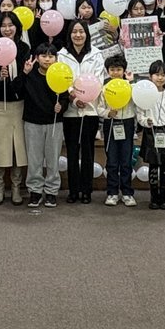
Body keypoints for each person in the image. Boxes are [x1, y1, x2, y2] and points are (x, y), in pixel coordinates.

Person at [58, 19, 105, 204]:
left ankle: (86, 191)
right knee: (72, 151)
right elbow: (62, 78)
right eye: (74, 31)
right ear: (69, 34)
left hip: (90, 111)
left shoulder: (96, 54)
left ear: (87, 34)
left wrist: (86, 97)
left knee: (87, 151)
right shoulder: (62, 55)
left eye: (81, 31)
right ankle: (73, 190)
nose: (78, 35)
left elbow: (98, 79)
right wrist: (74, 97)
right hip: (70, 111)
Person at [0, 13, 29, 205]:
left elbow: (26, 80)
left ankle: (17, 187)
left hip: (19, 104)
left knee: (18, 147)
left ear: (17, 27)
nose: (7, 29)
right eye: (3, 26)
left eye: (11, 25)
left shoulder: (24, 49)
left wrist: (19, 76)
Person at [20, 43, 63, 207]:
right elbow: (16, 89)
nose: (47, 59)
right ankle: (35, 191)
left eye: (51, 56)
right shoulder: (30, 74)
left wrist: (62, 106)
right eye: (44, 56)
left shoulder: (60, 74)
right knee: (34, 159)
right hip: (33, 122)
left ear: (56, 59)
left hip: (54, 122)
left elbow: (65, 96)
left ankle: (51, 191)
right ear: (37, 58)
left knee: (53, 159)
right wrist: (24, 73)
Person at [137, 60, 165, 210]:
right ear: (150, 76)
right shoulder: (144, 94)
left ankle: (164, 197)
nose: (160, 78)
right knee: (153, 165)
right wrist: (146, 121)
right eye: (157, 74)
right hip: (151, 131)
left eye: (163, 75)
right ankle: (154, 197)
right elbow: (140, 115)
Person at [101, 53, 137, 207]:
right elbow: (99, 108)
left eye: (118, 69)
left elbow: (138, 102)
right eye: (112, 70)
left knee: (126, 160)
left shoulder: (130, 87)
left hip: (127, 123)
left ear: (124, 71)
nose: (115, 73)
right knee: (112, 161)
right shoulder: (104, 88)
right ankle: (112, 192)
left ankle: (127, 193)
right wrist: (107, 113)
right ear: (108, 71)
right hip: (110, 123)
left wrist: (131, 83)